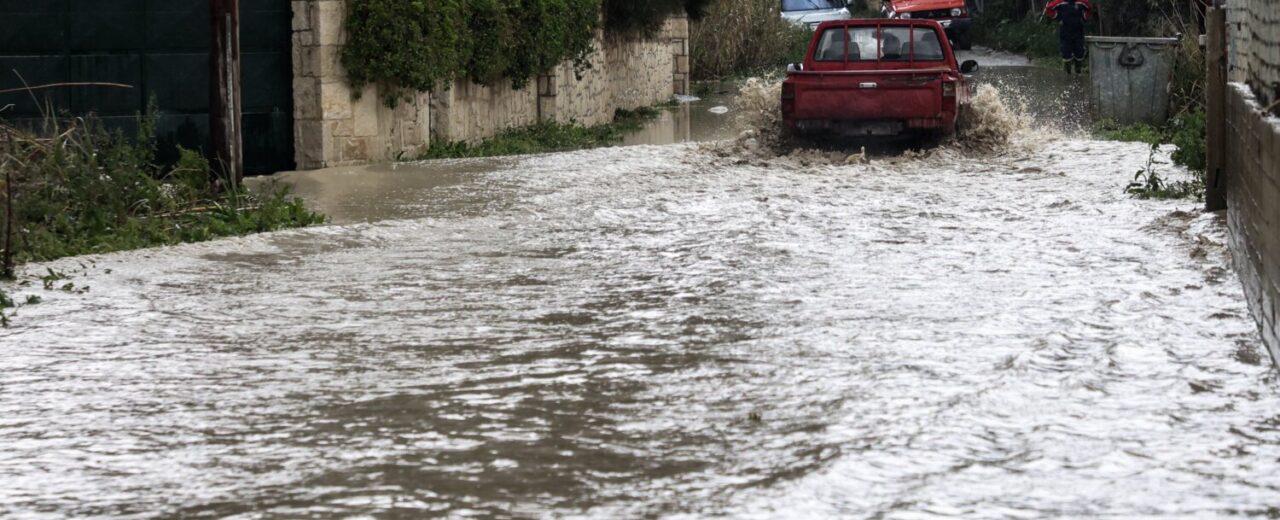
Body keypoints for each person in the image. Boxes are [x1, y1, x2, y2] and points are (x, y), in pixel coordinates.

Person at [1045, 0, 1092, 74]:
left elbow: (1089, 8)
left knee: (1079, 51)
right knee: (1065, 51)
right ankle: (1067, 72)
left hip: (1078, 30)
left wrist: (1084, 18)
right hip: (1065, 30)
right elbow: (1048, 9)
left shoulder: (1082, 1)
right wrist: (1058, 18)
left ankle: (1078, 71)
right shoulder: (1059, 1)